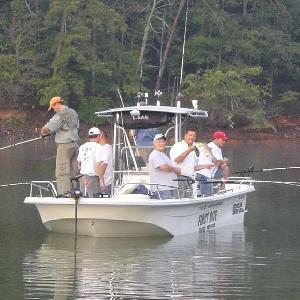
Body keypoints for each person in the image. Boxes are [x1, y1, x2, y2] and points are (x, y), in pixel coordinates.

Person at [41, 96, 79, 195]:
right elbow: (69, 127)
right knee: (72, 170)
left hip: (64, 146)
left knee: (62, 171)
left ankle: (64, 194)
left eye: (52, 107)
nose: (53, 109)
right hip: (74, 145)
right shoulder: (73, 112)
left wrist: (43, 131)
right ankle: (74, 191)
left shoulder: (60, 114)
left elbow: (47, 127)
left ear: (56, 104)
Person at [149, 134, 181, 199]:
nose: (161, 143)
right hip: (162, 189)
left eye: (163, 141)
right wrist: (175, 169)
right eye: (158, 142)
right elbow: (164, 167)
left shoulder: (162, 155)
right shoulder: (155, 154)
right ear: (154, 143)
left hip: (167, 188)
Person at [170, 128, 199, 197]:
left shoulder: (194, 149)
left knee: (189, 201)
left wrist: (206, 166)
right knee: (178, 200)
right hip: (179, 178)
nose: (192, 137)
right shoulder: (178, 146)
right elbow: (177, 159)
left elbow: (194, 167)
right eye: (190, 135)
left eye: (194, 136)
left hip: (190, 179)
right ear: (185, 136)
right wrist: (189, 150)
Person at [77, 127, 102, 197]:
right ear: (99, 136)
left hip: (82, 177)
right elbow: (99, 164)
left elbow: (78, 164)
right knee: (94, 199)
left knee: (83, 200)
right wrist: (101, 180)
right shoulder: (99, 147)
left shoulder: (82, 146)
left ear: (89, 136)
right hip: (93, 178)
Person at [96, 130, 113, 195]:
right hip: (107, 182)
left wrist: (101, 180)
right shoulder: (105, 147)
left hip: (106, 183)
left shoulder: (106, 148)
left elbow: (102, 165)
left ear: (100, 136)